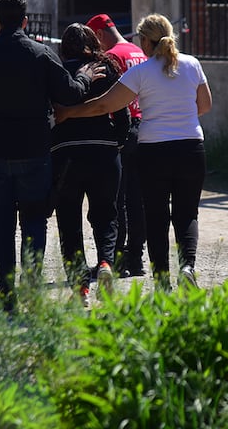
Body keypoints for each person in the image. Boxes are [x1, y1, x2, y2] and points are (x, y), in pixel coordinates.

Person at [0, 0, 102, 311]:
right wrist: (83, 76)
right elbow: (69, 95)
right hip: (34, 154)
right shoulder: (41, 54)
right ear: (26, 21)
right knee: (33, 223)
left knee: (0, 224)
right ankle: (31, 292)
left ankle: (5, 298)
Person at [56, 13, 212, 290]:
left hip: (154, 150)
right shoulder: (192, 64)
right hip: (191, 147)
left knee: (156, 215)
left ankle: (162, 282)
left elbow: (105, 105)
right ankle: (188, 265)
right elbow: (204, 105)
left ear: (144, 41)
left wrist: (70, 113)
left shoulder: (141, 73)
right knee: (187, 214)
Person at [51, 24, 130, 305]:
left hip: (66, 155)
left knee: (69, 222)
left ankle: (80, 290)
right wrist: (117, 144)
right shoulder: (108, 70)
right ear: (93, 42)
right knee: (106, 215)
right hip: (104, 153)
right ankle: (107, 263)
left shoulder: (57, 72)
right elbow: (123, 117)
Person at [86, 12, 149, 277]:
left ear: (99, 35)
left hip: (123, 129)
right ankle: (136, 258)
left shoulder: (112, 57)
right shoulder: (138, 52)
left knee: (117, 198)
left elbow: (110, 98)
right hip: (144, 127)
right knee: (139, 198)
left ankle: (116, 258)